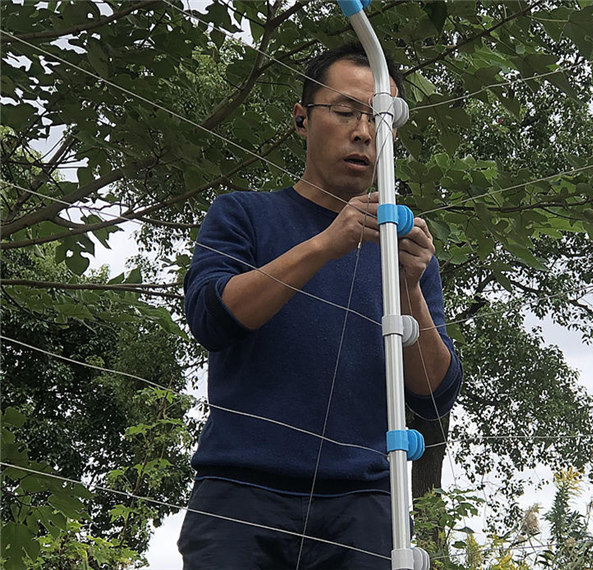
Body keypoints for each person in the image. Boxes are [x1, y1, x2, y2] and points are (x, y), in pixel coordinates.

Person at [178, 43, 463, 569]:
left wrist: (409, 288)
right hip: (241, 496)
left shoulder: (407, 254)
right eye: (346, 111)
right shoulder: (242, 214)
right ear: (301, 119)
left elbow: (434, 395)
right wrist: (326, 244)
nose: (364, 132)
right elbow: (210, 318)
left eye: (380, 119)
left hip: (366, 507)